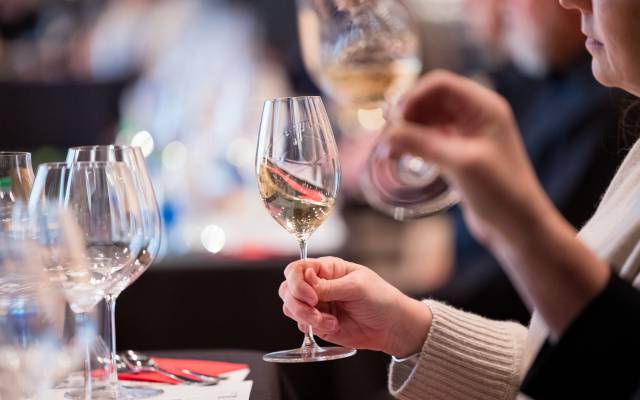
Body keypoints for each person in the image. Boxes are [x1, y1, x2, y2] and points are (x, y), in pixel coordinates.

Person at [278, 0, 640, 398]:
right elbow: (572, 362)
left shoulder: (593, 112)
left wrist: (515, 227)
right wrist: (408, 326)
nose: (572, 2)